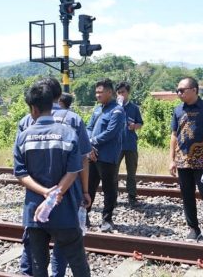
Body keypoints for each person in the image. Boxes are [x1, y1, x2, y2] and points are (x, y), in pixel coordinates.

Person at [13, 81, 90, 277]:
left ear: (33, 108)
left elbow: (21, 174)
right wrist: (55, 194)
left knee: (39, 265)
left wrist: (45, 193)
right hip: (64, 209)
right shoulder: (68, 133)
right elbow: (74, 170)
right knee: (78, 263)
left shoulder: (23, 137)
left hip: (34, 213)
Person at [168, 77, 203, 245]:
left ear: (194, 90)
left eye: (182, 90)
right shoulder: (178, 110)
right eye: (177, 90)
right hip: (183, 161)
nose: (178, 93)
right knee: (187, 196)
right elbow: (174, 135)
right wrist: (171, 159)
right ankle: (194, 228)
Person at [86, 78, 126, 233]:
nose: (97, 95)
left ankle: (107, 219)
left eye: (101, 92)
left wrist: (92, 142)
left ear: (110, 92)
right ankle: (84, 215)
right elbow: (89, 127)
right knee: (88, 187)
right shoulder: (97, 109)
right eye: (96, 92)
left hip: (107, 156)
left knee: (109, 189)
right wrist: (88, 145)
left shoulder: (117, 110)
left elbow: (111, 132)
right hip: (92, 155)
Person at [115, 81, 144, 206]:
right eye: (119, 92)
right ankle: (112, 196)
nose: (121, 94)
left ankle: (132, 196)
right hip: (116, 145)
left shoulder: (134, 108)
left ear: (128, 93)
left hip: (130, 144)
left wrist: (134, 126)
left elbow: (140, 123)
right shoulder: (114, 107)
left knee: (131, 172)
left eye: (123, 92)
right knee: (113, 172)